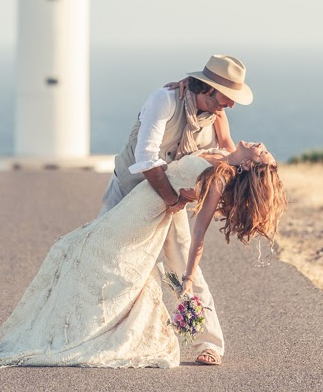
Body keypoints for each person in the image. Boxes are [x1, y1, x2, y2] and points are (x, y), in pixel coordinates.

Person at [0, 141, 285, 369]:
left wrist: (189, 277)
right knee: (79, 248)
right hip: (140, 200)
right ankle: (70, 328)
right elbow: (219, 115)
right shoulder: (224, 151)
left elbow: (199, 236)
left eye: (263, 153)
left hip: (149, 213)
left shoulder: (219, 180)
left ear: (248, 165)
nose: (261, 146)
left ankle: (95, 331)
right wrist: (190, 85)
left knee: (109, 261)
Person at [98, 54, 253, 365]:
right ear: (208, 88)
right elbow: (146, 158)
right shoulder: (164, 100)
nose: (232, 105)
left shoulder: (217, 115)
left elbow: (227, 151)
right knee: (107, 264)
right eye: (228, 96)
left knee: (183, 267)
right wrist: (172, 199)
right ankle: (106, 337)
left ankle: (207, 343)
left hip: (172, 199)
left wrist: (256, 163)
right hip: (130, 191)